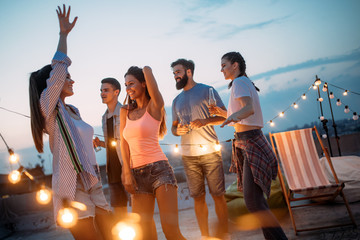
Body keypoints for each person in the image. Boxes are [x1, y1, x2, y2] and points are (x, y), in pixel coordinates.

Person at [29, 5, 111, 240]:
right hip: (72, 185)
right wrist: (63, 35)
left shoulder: (73, 110)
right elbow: (58, 69)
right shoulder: (49, 107)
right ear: (52, 86)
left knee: (111, 235)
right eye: (67, 78)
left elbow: (76, 143)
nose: (72, 80)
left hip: (92, 179)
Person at [209, 51, 288, 240]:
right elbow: (241, 110)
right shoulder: (243, 82)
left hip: (250, 141)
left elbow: (248, 108)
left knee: (253, 202)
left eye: (224, 65)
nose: (221, 70)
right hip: (248, 140)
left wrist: (233, 117)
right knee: (257, 202)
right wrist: (223, 112)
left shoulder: (239, 82)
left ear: (235, 65)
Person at [120, 66, 186, 240]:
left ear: (143, 84)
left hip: (160, 171)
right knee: (143, 234)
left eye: (131, 83)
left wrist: (145, 69)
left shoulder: (155, 106)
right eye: (126, 84)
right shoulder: (125, 111)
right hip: (136, 175)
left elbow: (148, 73)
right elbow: (123, 143)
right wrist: (126, 171)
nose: (128, 88)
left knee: (171, 231)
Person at [171, 59, 229, 239]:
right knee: (197, 197)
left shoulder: (207, 90)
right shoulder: (176, 100)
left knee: (218, 195)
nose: (175, 76)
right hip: (188, 156)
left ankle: (224, 234)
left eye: (178, 72)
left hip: (211, 151)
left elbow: (225, 116)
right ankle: (205, 236)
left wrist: (206, 121)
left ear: (189, 72)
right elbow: (173, 128)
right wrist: (177, 130)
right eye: (173, 73)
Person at [93, 78, 128, 220]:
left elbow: (127, 140)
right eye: (101, 90)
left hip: (127, 166)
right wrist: (100, 143)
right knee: (119, 209)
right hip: (112, 169)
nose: (102, 93)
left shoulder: (125, 111)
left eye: (106, 90)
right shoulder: (104, 117)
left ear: (116, 92)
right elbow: (112, 143)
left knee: (138, 206)